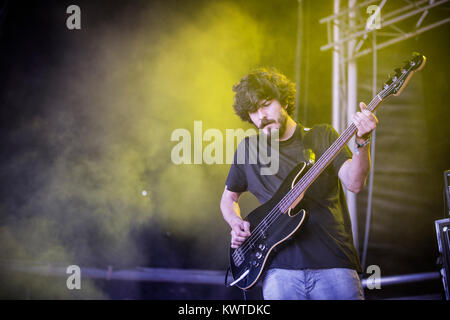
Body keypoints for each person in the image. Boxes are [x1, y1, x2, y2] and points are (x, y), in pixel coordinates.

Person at [220, 68, 377, 300]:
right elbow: (228, 198)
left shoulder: (321, 136)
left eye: (265, 104)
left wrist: (361, 143)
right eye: (253, 111)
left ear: (283, 101)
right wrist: (235, 222)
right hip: (277, 271)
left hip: (333, 264)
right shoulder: (248, 150)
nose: (261, 115)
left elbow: (355, 183)